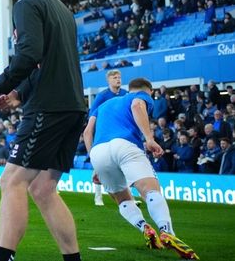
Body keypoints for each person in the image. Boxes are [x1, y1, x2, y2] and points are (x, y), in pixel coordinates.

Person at [0, 0, 87, 261]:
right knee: (43, 189)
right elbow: (47, 62)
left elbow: (29, 55)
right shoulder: (62, 8)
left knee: (12, 180)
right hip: (73, 106)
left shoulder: (26, 3)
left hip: (48, 107)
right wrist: (18, 94)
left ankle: (3, 258)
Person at [83, 77, 199, 260]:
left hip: (99, 152)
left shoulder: (104, 105)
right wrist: (149, 138)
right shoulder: (140, 96)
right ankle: (166, 231)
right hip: (125, 144)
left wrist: (94, 164)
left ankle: (145, 227)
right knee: (149, 190)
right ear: (149, 91)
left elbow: (87, 132)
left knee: (121, 198)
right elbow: (138, 106)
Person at [89, 69, 127, 206]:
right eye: (115, 77)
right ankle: (98, 197)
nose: (118, 79)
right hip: (104, 134)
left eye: (119, 77)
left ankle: (127, 198)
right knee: (100, 166)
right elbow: (92, 115)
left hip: (120, 133)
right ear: (109, 80)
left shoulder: (125, 94)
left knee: (122, 164)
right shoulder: (102, 96)